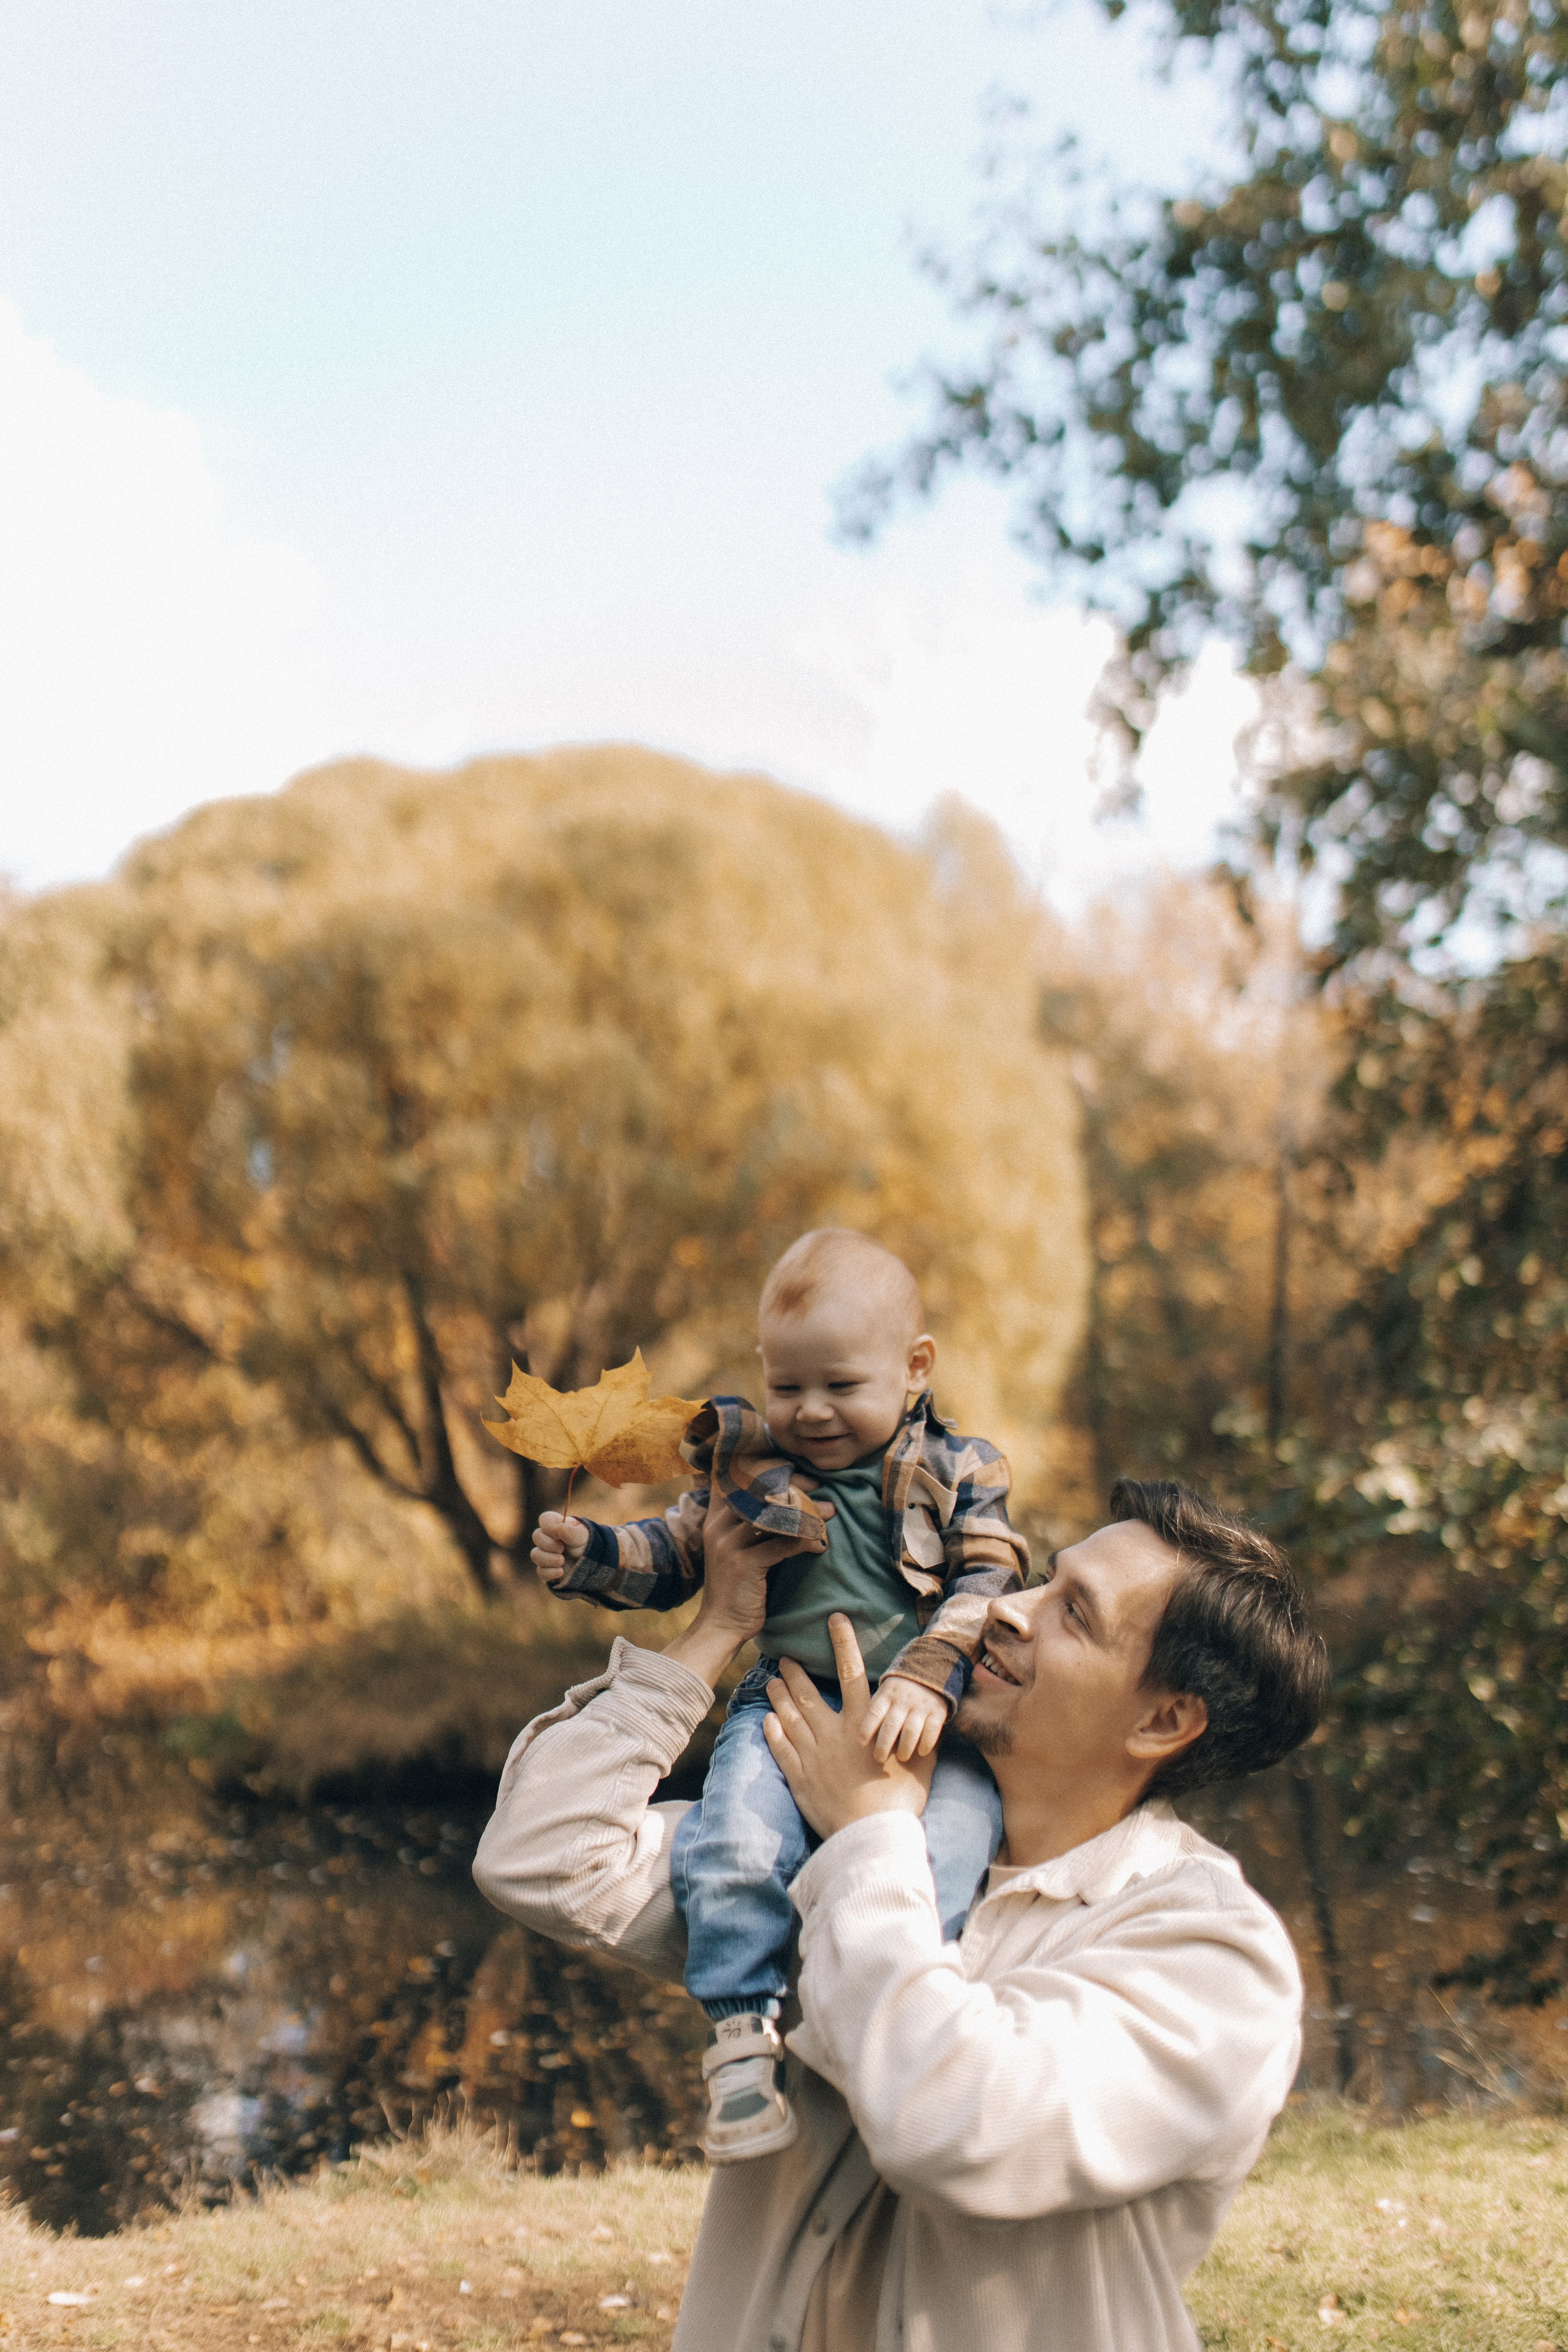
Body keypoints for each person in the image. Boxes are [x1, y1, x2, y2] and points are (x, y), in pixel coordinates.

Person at [473, 1474, 1329, 2352]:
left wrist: (871, 1838)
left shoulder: (1215, 1954)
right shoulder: (840, 1821)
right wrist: (718, 1631)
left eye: (1075, 1613)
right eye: (1044, 1577)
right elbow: (542, 1855)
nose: (1007, 1608)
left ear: (1163, 1720)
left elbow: (952, 2120)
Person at [528, 1229, 1028, 2158]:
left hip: (929, 1720)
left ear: (915, 1367)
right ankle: (741, 2036)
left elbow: (992, 1580)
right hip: (785, 1704)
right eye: (788, 1387)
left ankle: (917, 2023)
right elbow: (672, 1551)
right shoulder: (749, 1468)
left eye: (842, 1387)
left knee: (953, 1847)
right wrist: (593, 1556)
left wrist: (928, 1675)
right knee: (737, 1839)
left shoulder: (965, 1468)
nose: (812, 1412)